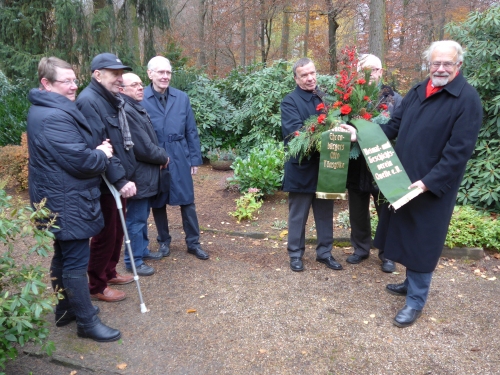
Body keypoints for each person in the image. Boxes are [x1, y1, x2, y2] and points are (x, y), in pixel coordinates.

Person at [344, 41, 483, 327]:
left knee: (423, 241)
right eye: (436, 63)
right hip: (403, 179)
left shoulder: (467, 100)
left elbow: (459, 152)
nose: (441, 68)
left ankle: (416, 301)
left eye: (447, 63)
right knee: (404, 232)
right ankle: (409, 284)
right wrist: (360, 134)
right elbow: (393, 126)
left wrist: (428, 183)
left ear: (458, 66)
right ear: (428, 64)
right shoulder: (419, 90)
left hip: (431, 186)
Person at [27, 57, 120, 341]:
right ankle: (86, 322)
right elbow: (81, 161)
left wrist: (91, 150)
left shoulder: (45, 109)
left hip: (58, 195)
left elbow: (70, 152)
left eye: (74, 79)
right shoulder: (53, 115)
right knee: (76, 262)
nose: (73, 86)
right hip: (67, 199)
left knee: (63, 255)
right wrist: (102, 154)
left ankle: (66, 309)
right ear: (46, 83)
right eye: (66, 81)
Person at [76, 53, 149, 302]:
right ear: (97, 75)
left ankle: (109, 271)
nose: (120, 78)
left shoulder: (111, 99)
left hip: (119, 176)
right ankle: (97, 285)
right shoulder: (89, 102)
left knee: (118, 230)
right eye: (114, 74)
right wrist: (119, 180)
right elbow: (100, 144)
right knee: (105, 233)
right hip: (105, 180)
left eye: (121, 74)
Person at [141, 56, 208, 260]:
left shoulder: (181, 98)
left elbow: (191, 130)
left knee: (187, 200)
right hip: (156, 155)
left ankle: (193, 242)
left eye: (168, 72)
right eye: (161, 72)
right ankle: (164, 241)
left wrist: (195, 159)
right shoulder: (141, 97)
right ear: (150, 74)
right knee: (158, 201)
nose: (165, 76)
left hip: (180, 154)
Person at [281, 57, 342, 272]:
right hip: (301, 168)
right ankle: (295, 254)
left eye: (312, 73)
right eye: (304, 75)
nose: (310, 78)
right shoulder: (289, 102)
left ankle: (324, 252)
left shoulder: (326, 98)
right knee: (298, 214)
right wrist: (329, 133)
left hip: (326, 167)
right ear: (296, 78)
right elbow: (295, 134)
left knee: (325, 213)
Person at [345, 54, 403, 273]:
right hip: (356, 163)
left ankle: (388, 254)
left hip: (383, 162)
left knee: (386, 211)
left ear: (380, 71)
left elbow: (398, 131)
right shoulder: (349, 97)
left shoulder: (395, 100)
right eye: (364, 71)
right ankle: (360, 249)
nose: (369, 75)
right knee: (357, 210)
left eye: (373, 70)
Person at [118, 73, 169, 276]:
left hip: (145, 175)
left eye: (140, 84)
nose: (141, 88)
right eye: (134, 85)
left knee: (142, 217)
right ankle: (133, 260)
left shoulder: (136, 107)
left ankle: (142, 250)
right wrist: (163, 156)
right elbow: (143, 147)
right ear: (122, 90)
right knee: (136, 219)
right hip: (138, 175)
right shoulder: (127, 110)